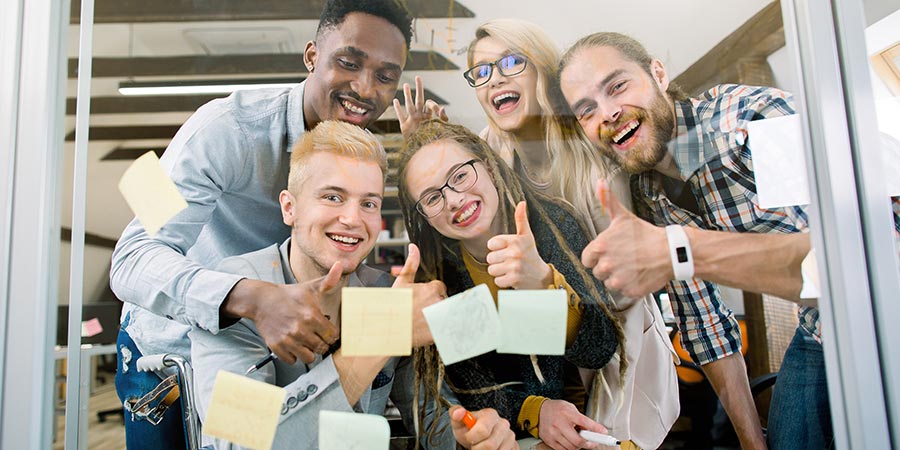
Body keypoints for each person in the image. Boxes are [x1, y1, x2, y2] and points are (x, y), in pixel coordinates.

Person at [109, 1, 422, 447]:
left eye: (385, 76)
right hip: (172, 345)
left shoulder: (360, 154)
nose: (364, 87)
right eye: (349, 63)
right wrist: (248, 296)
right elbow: (131, 258)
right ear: (312, 56)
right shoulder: (220, 130)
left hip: (283, 353)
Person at [556, 31, 843, 449]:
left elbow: (845, 265)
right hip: (819, 330)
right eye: (586, 110)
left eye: (617, 86)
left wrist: (681, 252)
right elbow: (705, 323)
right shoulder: (649, 194)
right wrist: (751, 441)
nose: (609, 112)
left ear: (658, 72)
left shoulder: (752, 121)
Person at [190, 120, 516, 450]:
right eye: (333, 197)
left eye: (368, 203)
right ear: (290, 208)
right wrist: (388, 332)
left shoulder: (385, 293)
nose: (352, 218)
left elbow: (434, 420)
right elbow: (238, 443)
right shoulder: (237, 297)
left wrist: (469, 437)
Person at [464, 20, 678, 450]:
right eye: (481, 72)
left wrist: (551, 287)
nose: (495, 79)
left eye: (509, 62)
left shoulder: (593, 148)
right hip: (546, 365)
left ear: (541, 68)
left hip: (619, 349)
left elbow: (622, 291)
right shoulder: (490, 155)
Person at [397, 120, 624, 450]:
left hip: (591, 426)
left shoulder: (550, 226)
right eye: (432, 197)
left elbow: (598, 348)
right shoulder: (439, 273)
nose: (455, 200)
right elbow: (471, 382)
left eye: (460, 176)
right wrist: (534, 410)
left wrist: (542, 282)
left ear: (487, 165)